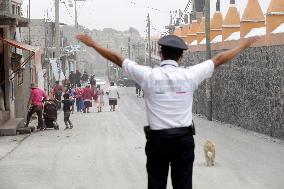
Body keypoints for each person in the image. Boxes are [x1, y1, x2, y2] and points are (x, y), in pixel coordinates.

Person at [76, 34, 259, 189]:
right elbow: (219, 59)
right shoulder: (190, 75)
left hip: (158, 142)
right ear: (181, 56)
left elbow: (118, 58)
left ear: (160, 53)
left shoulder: (148, 75)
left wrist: (93, 44)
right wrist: (243, 44)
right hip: (183, 141)